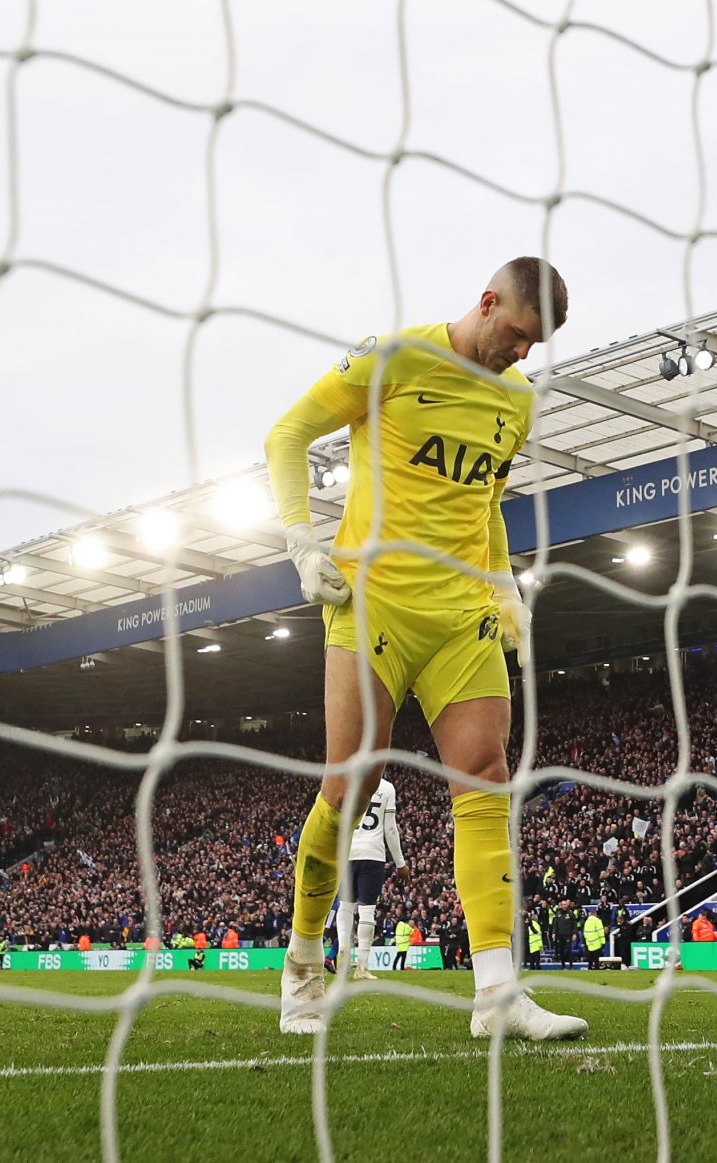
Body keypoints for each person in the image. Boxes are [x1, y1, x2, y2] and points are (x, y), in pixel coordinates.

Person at [266, 259, 586, 1041]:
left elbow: (486, 503)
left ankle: (499, 994)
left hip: (460, 614)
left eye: (533, 345)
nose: (521, 355)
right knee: (352, 782)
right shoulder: (394, 359)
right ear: (486, 302)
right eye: (516, 334)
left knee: (486, 775)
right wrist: (302, 541)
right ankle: (304, 961)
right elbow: (288, 434)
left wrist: (504, 584)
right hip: (373, 603)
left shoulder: (517, 402)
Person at [340, 772, 406, 980]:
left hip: (347, 852)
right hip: (373, 854)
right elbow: (389, 828)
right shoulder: (386, 788)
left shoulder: (346, 782)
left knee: (346, 906)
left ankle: (343, 952)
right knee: (367, 911)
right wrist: (401, 863)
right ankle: (362, 967)